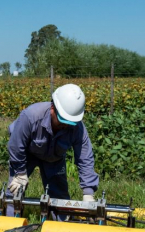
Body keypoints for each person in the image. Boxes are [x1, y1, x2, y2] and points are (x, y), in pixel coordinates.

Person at [6, 83, 99, 216]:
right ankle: (10, 224)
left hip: (54, 158)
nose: (65, 125)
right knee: (14, 192)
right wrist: (20, 173)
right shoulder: (31, 116)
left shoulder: (78, 128)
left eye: (69, 122)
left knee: (59, 197)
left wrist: (88, 193)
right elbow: (16, 145)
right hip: (27, 154)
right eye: (62, 120)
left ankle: (61, 230)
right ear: (52, 108)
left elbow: (85, 158)